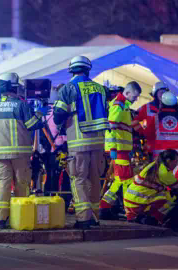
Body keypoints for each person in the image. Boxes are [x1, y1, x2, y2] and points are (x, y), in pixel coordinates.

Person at [53, 56, 109, 229]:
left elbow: (58, 115)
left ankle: (83, 218)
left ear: (72, 69)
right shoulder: (101, 88)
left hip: (78, 141)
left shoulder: (68, 88)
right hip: (98, 142)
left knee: (78, 179)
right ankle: (94, 217)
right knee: (95, 178)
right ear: (87, 69)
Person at [0, 73, 50, 229]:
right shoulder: (20, 105)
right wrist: (40, 113)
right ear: (13, 88)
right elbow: (32, 125)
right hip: (19, 154)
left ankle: (0, 220)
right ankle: (19, 218)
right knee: (21, 185)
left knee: (2, 185)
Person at [123, 149, 178, 228]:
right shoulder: (164, 172)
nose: (176, 164)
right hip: (137, 203)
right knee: (170, 199)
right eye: (175, 161)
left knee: (165, 193)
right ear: (168, 160)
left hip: (129, 201)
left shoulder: (154, 164)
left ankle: (144, 217)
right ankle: (155, 218)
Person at [99, 81, 141, 220]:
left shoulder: (123, 106)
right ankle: (129, 211)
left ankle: (105, 206)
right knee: (126, 180)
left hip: (122, 150)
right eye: (135, 96)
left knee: (121, 180)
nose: (136, 99)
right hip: (119, 151)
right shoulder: (119, 105)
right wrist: (112, 149)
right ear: (127, 93)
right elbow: (111, 127)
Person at [134, 83, 178, 159]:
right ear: (155, 93)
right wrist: (144, 128)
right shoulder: (146, 108)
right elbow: (137, 123)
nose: (163, 95)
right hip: (165, 150)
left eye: (165, 92)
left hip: (160, 151)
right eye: (161, 92)